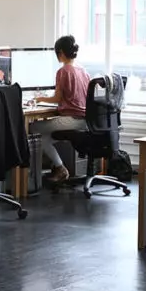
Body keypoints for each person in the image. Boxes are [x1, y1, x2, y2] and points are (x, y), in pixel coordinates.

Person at [29, 35, 90, 182]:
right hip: (86, 121)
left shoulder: (63, 71)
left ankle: (30, 177)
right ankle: (60, 168)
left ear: (61, 52)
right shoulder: (83, 71)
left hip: (72, 120)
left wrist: (39, 99)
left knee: (32, 128)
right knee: (43, 139)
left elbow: (57, 99)